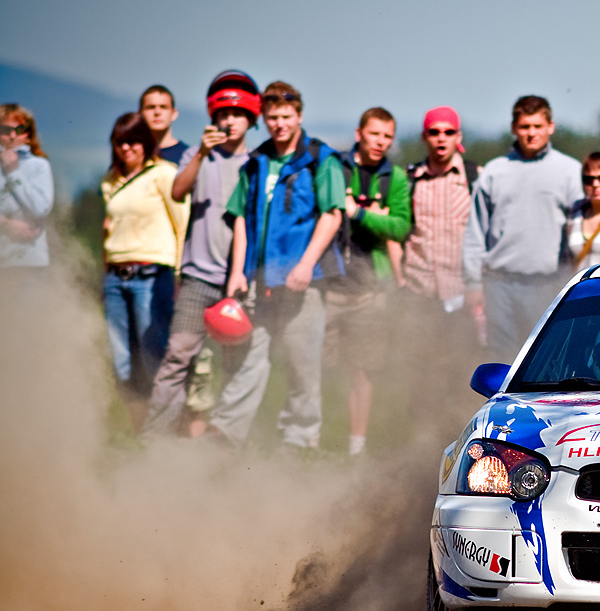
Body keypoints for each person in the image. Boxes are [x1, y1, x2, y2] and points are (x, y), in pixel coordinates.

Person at [207, 81, 345, 451]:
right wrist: (237, 271)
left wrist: (305, 264)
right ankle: (225, 433)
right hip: (258, 279)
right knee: (249, 358)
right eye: (272, 118)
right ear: (264, 119)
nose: (279, 124)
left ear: (299, 116)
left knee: (302, 363)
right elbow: (239, 219)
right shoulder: (256, 162)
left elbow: (332, 215)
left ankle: (299, 442)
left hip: (305, 280)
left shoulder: (320, 158)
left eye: (286, 117)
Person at [143, 71, 260, 439]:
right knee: (177, 359)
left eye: (238, 114)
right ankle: (153, 440)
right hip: (197, 276)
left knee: (235, 366)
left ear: (251, 118)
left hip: (240, 283)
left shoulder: (258, 163)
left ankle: (221, 445)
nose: (229, 120)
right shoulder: (198, 154)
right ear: (213, 116)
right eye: (223, 113)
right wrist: (203, 152)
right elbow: (177, 191)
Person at [463, 95, 586, 361]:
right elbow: (475, 232)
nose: (531, 133)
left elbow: (586, 220)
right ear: (514, 129)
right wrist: (472, 284)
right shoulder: (494, 172)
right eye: (525, 127)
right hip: (499, 285)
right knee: (500, 361)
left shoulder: (570, 171)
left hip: (548, 283)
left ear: (550, 127)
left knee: (544, 359)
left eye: (537, 126)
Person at [326, 107, 410, 456]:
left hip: (370, 288)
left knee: (362, 368)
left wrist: (359, 212)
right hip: (329, 283)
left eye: (388, 136)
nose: (381, 142)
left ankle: (355, 447)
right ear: (359, 133)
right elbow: (325, 211)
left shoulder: (397, 178)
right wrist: (378, 216)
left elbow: (401, 227)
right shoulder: (335, 168)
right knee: (319, 365)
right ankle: (312, 439)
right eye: (375, 134)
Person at [101, 112, 189, 428]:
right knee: (122, 361)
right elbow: (108, 232)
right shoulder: (110, 181)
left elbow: (182, 224)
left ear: (145, 143)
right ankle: (140, 428)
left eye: (133, 141)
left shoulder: (163, 175)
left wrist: (179, 274)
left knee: (154, 355)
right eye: (120, 142)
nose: (127, 148)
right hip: (114, 276)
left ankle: (164, 429)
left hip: (152, 275)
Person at [401, 106, 483, 411]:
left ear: (458, 136)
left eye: (448, 132)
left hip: (461, 292)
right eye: (434, 132)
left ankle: (454, 430)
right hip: (418, 290)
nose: (441, 139)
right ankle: (418, 434)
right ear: (425, 136)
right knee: (419, 370)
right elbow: (398, 231)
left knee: (462, 368)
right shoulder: (410, 179)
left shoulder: (475, 177)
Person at [0, 104, 54, 270]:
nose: (12, 136)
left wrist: (13, 173)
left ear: (29, 135)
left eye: (20, 129)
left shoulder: (39, 166)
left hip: (30, 261)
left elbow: (40, 208)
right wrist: (7, 224)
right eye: (5, 129)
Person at [139, 85, 188, 166]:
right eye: (151, 107)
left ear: (174, 114)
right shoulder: (131, 154)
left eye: (163, 107)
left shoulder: (188, 155)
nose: (157, 112)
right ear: (140, 114)